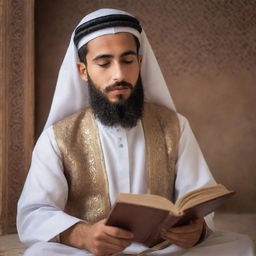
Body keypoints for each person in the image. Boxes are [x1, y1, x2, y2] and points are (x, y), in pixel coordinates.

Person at [17, 8, 254, 256]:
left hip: (164, 249)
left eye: (128, 61)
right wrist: (82, 235)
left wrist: (197, 229)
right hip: (90, 252)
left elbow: (198, 197)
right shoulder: (59, 137)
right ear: (83, 71)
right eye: (104, 63)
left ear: (140, 63)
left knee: (239, 246)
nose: (118, 74)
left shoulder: (174, 125)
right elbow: (34, 212)